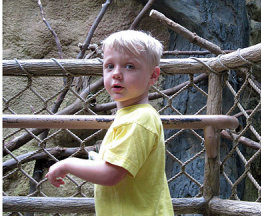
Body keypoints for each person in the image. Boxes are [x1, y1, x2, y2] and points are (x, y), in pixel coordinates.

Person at [46, 29, 174, 216]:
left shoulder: (137, 120)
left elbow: (111, 174)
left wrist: (67, 164)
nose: (116, 74)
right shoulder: (133, 115)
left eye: (129, 66)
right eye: (109, 66)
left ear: (153, 76)